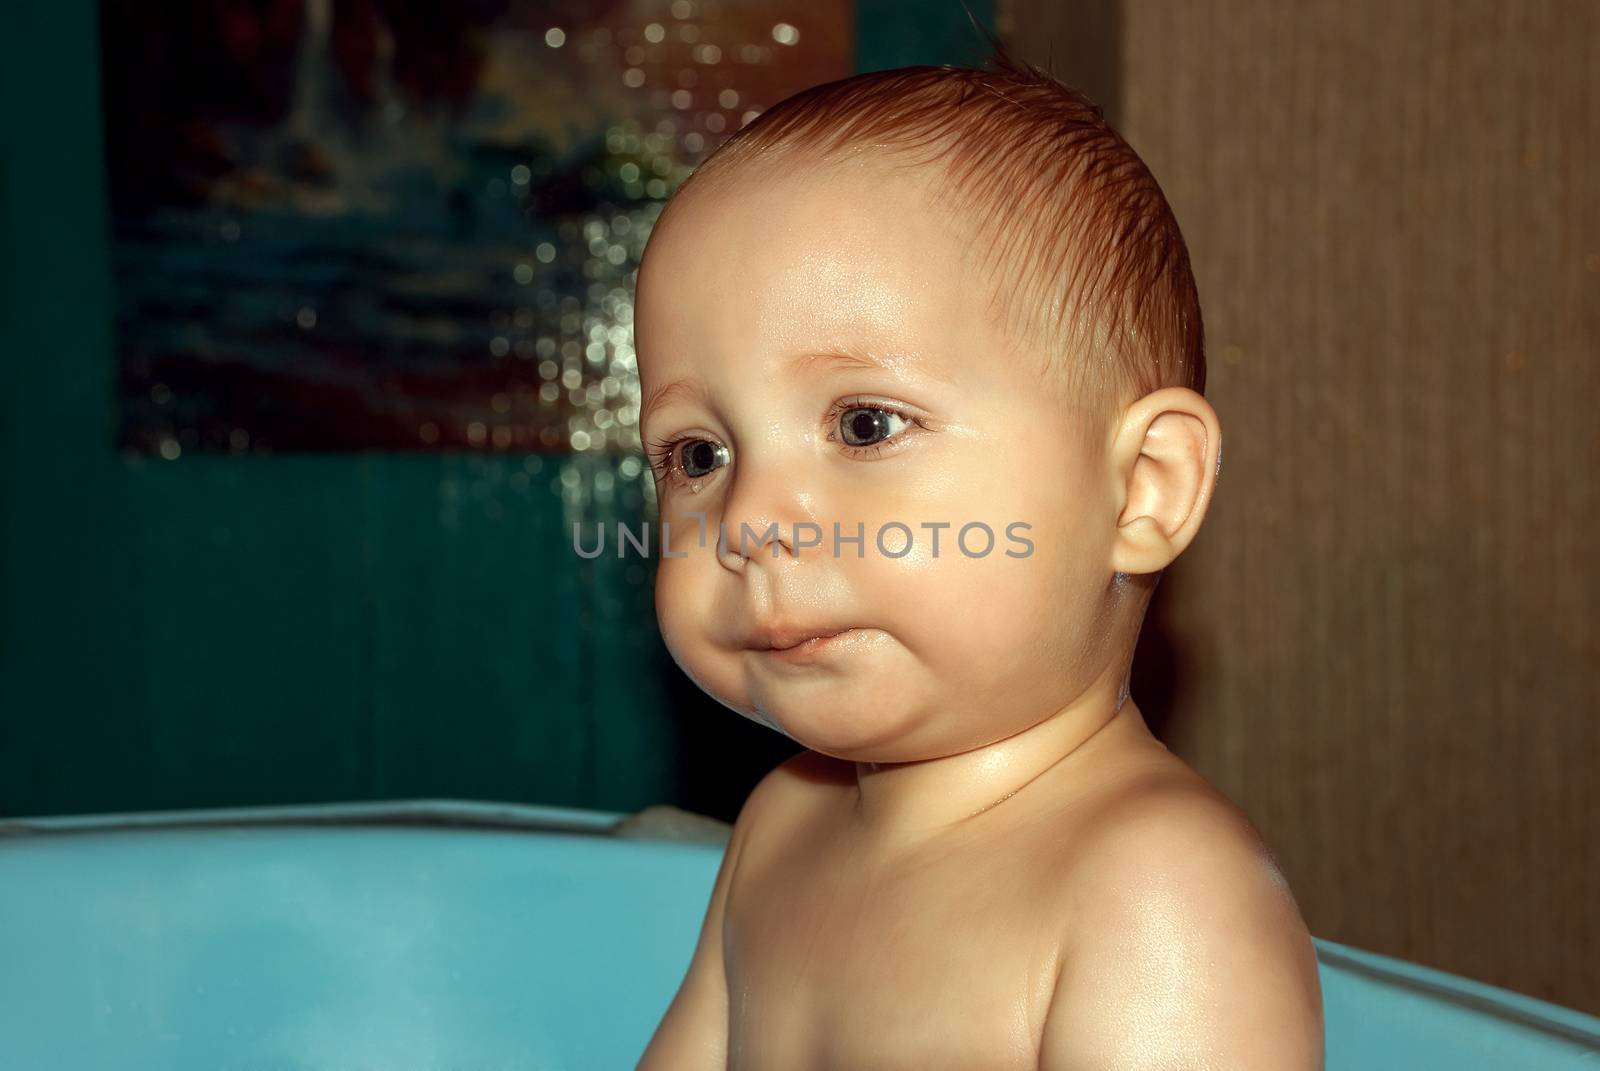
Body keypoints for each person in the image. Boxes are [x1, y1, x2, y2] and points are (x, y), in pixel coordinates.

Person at [632, 48, 1324, 1070]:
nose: (747, 520)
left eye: (864, 425)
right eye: (699, 455)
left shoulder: (1153, 895)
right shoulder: (779, 829)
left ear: (1139, 491)